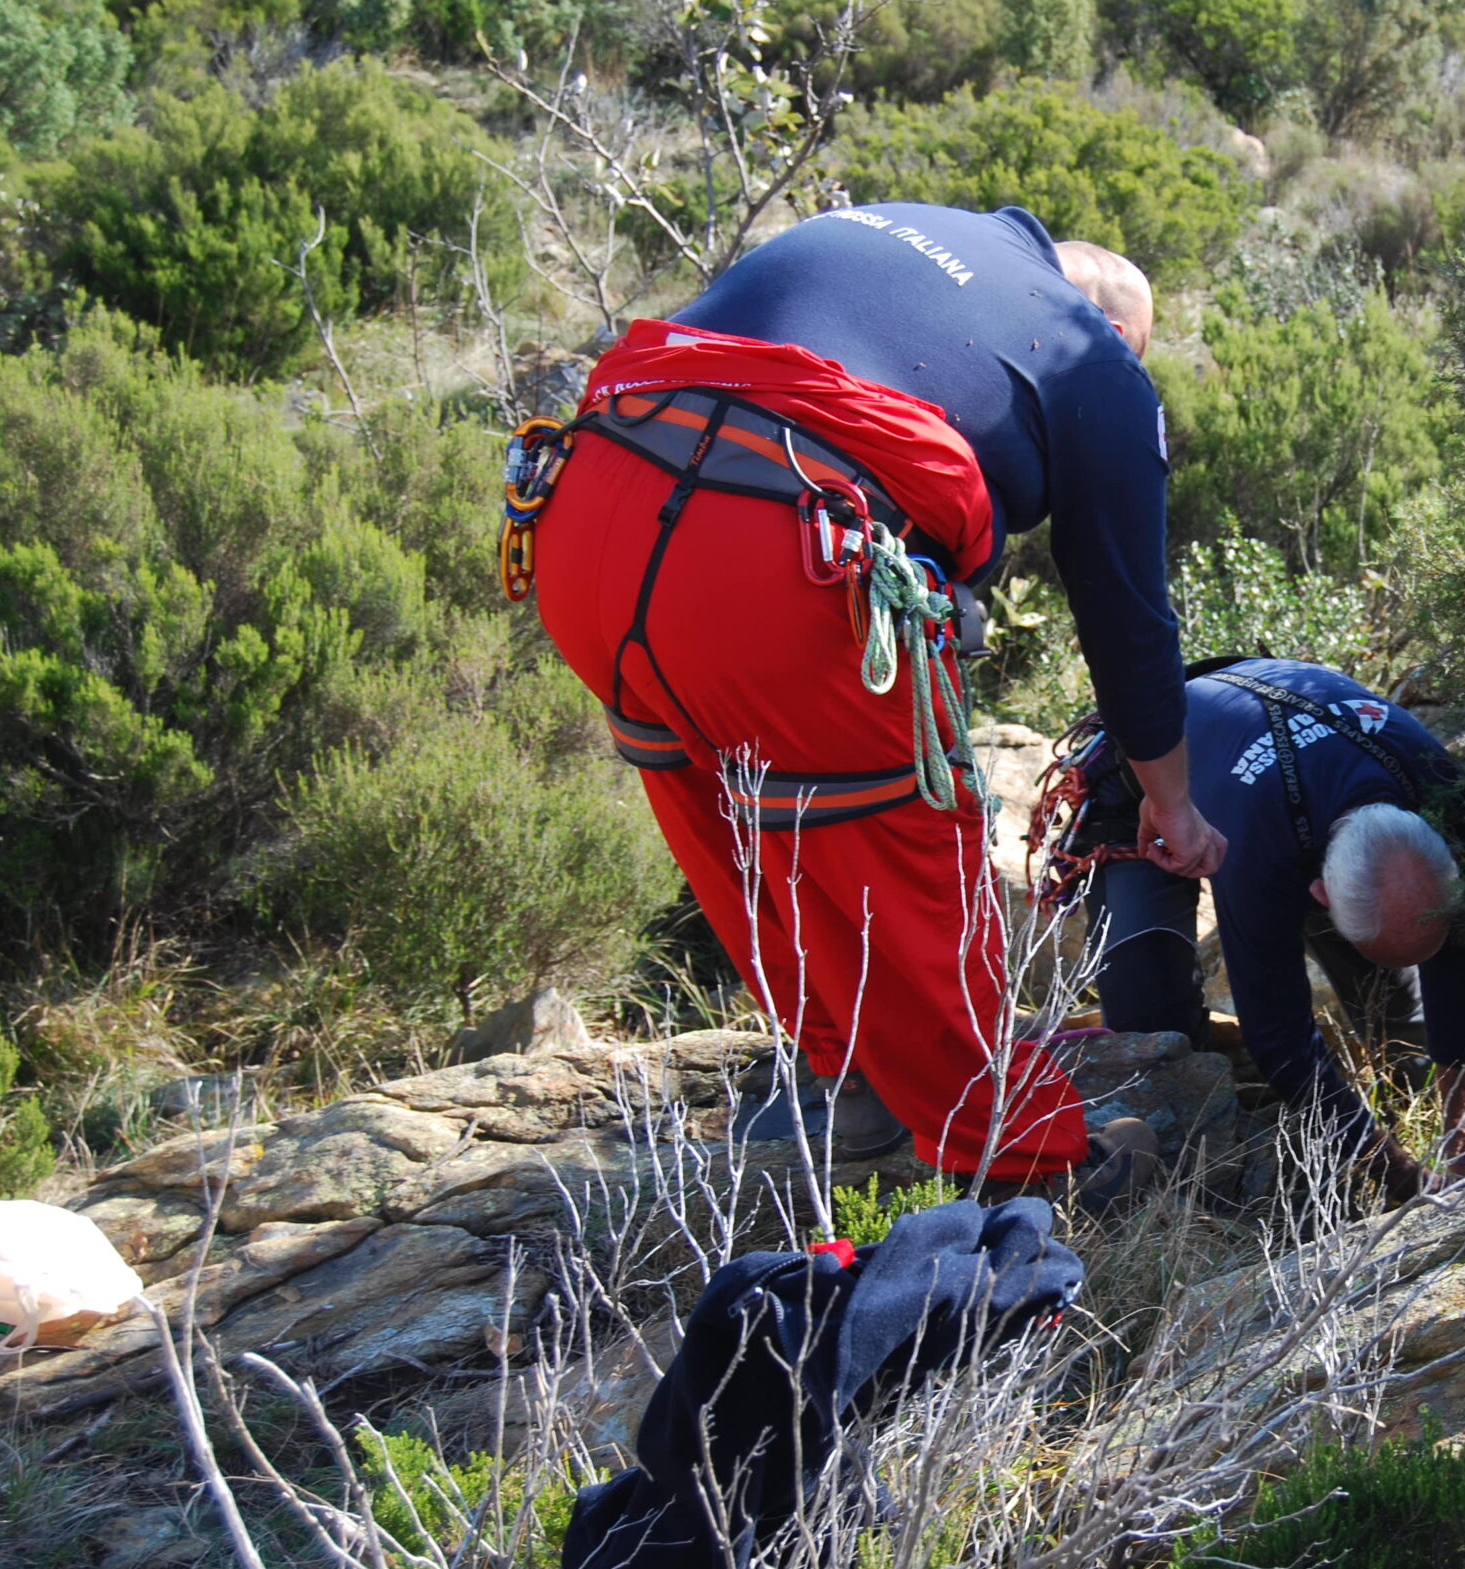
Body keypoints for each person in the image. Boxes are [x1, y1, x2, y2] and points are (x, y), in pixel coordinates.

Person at [522, 203, 1225, 1204]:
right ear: (1111, 330)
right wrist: (1169, 798)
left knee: (733, 810)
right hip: (775, 544)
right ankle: (1035, 1158)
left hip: (589, 509)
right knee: (904, 852)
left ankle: (841, 1079)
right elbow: (1128, 620)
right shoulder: (1090, 359)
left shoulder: (900, 226)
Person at [1062, 657, 1465, 1205]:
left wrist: (1458, 1121)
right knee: (1157, 1034)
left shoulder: (1442, 789)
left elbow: (1459, 957)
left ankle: (1412, 1088)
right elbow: (1280, 1037)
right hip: (1141, 781)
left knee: (1400, 1027)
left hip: (1270, 756)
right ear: (1318, 894)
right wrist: (1392, 1171)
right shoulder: (1257, 852)